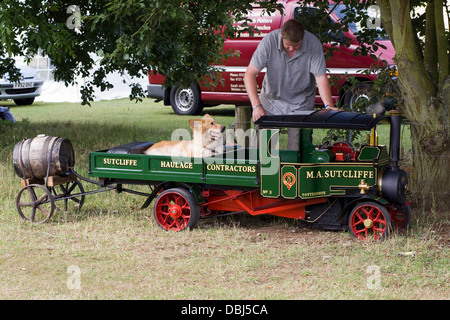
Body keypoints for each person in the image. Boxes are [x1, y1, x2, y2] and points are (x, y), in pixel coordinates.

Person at [244, 19, 340, 150]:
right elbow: (249, 75)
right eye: (288, 45)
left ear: (303, 37)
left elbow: (320, 77)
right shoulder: (269, 41)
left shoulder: (313, 44)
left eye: (296, 46)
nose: (291, 49)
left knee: (298, 149)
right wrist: (256, 106)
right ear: (281, 36)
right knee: (263, 150)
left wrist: (328, 105)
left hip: (301, 104)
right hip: (270, 100)